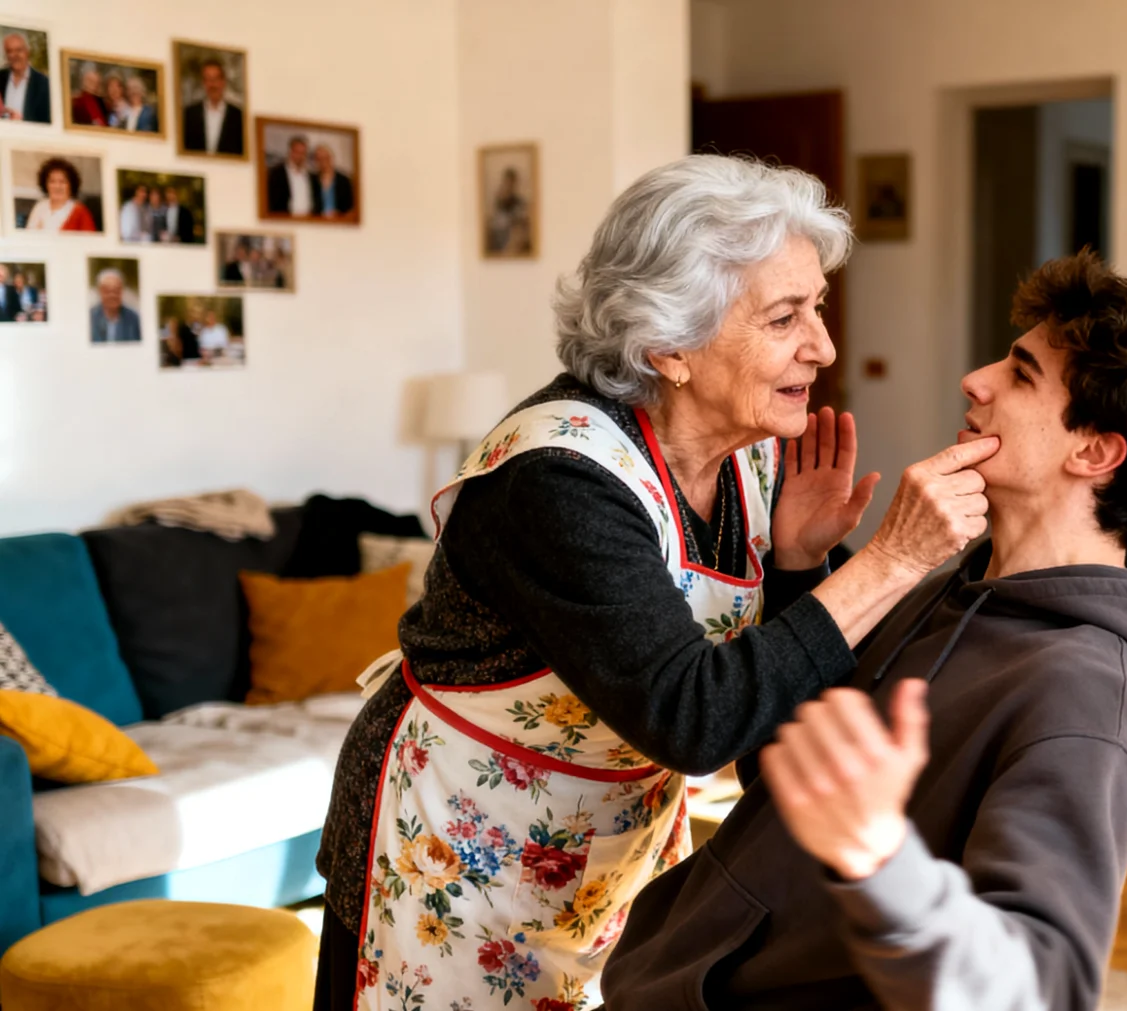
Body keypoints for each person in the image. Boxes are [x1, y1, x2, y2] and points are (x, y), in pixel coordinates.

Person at [311, 154, 1000, 1011]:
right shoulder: (557, 478)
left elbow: (761, 734)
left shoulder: (749, 458)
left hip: (598, 852)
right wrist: (890, 560)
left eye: (817, 306)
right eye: (784, 316)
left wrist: (796, 564)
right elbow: (694, 718)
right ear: (670, 346)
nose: (823, 346)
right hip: (447, 848)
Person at [602, 251, 1127, 1011]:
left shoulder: (1089, 695)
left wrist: (881, 859)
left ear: (1094, 451)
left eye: (1021, 375)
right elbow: (789, 774)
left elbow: (1042, 988)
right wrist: (798, 568)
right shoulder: (959, 586)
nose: (976, 380)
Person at [182, 57, 244, 155]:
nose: (212, 85)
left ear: (223, 82)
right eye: (208, 79)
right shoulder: (189, 115)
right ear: (203, 83)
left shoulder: (239, 117)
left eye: (216, 79)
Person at [24, 158, 97, 232]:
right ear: (46, 184)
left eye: (62, 182)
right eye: (52, 181)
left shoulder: (81, 213)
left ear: (71, 185)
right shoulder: (39, 207)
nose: (57, 186)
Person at [0, 33, 50, 123]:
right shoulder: (1, 77)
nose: (15, 55)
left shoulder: (44, 84)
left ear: (27, 52)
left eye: (19, 50)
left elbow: (47, 122)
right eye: (10, 51)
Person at [89, 268, 141, 344]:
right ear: (99, 291)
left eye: (116, 290)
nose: (112, 295)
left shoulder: (134, 319)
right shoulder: (90, 317)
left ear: (122, 291)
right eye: (107, 291)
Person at [267, 135, 314, 216]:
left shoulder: (311, 176)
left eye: (303, 153)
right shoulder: (277, 173)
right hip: (284, 219)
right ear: (290, 152)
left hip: (308, 219)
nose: (300, 156)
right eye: (297, 152)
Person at [486, 166, 528, 255]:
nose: (509, 185)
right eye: (507, 182)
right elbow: (495, 220)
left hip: (513, 235)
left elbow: (521, 219)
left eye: (511, 182)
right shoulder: (498, 200)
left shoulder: (519, 201)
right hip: (500, 236)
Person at [314, 143, 353, 219]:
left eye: (325, 158)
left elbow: (351, 207)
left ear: (331, 158)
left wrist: (341, 215)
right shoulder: (312, 180)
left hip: (340, 221)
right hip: (318, 221)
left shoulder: (344, 180)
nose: (323, 162)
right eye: (319, 159)